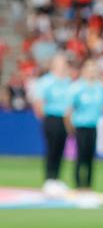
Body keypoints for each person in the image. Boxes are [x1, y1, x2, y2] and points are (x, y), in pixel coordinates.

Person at [30, 52, 73, 197]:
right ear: (54, 64)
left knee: (61, 148)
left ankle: (57, 178)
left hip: (64, 118)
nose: (64, 65)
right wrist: (45, 117)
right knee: (52, 148)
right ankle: (49, 178)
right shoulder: (46, 81)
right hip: (51, 117)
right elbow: (39, 102)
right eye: (61, 63)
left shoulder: (67, 81)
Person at [65, 58, 103, 192]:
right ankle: (78, 185)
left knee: (90, 157)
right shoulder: (77, 87)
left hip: (93, 125)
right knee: (80, 156)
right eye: (89, 68)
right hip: (80, 126)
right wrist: (70, 127)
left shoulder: (100, 88)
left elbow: (102, 105)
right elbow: (69, 110)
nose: (92, 72)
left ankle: (88, 185)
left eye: (94, 69)